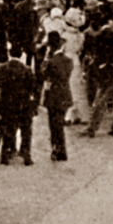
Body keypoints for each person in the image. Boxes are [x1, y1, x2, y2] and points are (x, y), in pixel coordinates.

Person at [0, 44, 36, 165]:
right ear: (22, 55)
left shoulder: (2, 68)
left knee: (8, 128)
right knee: (26, 130)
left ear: (9, 54)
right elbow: (32, 87)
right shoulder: (27, 70)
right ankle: (26, 155)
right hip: (23, 103)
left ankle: (5, 155)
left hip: (7, 103)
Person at [39, 31, 73, 161]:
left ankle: (57, 149)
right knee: (60, 123)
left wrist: (46, 60)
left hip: (53, 96)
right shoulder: (68, 61)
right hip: (65, 94)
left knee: (54, 125)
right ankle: (61, 149)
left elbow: (43, 75)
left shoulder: (50, 62)